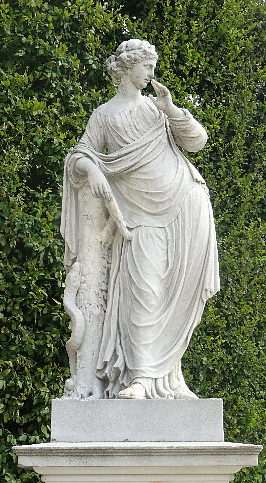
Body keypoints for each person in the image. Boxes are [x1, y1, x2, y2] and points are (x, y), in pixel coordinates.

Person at [61, 39, 219, 399]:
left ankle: (168, 380)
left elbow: (197, 141)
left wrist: (173, 109)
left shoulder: (157, 108)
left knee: (173, 296)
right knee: (144, 292)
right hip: (138, 215)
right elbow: (80, 155)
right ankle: (142, 378)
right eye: (146, 66)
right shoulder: (104, 115)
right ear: (128, 68)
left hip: (185, 203)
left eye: (152, 66)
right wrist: (94, 170)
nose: (151, 73)